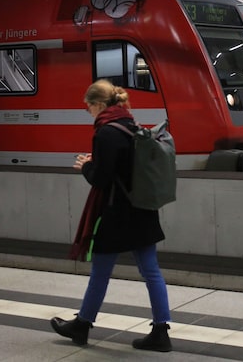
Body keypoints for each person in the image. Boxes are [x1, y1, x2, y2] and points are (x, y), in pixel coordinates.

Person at [51, 79, 173, 351]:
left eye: (88, 108)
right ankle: (161, 331)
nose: (89, 113)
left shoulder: (106, 133)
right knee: (151, 271)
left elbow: (103, 179)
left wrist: (86, 166)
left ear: (98, 105)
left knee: (101, 272)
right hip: (142, 209)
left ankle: (82, 325)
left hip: (116, 213)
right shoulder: (132, 125)